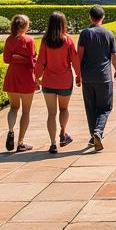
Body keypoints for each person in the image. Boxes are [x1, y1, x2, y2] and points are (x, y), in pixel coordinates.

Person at [35, 10, 82, 154]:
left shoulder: (45, 41)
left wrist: (37, 77)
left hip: (48, 81)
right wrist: (79, 76)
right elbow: (75, 61)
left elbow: (40, 62)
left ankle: (52, 143)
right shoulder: (67, 40)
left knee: (51, 114)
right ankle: (63, 133)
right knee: (64, 109)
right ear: (63, 24)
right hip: (64, 81)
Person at [77, 4, 116, 151]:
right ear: (103, 18)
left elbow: (79, 55)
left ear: (90, 17)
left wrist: (78, 74)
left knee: (91, 107)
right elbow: (114, 55)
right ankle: (98, 132)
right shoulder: (108, 34)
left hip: (88, 77)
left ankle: (93, 135)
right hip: (104, 77)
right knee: (105, 107)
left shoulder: (84, 34)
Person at [2, 13, 37, 153]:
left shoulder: (9, 40)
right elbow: (31, 60)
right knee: (26, 111)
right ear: (24, 26)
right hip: (27, 76)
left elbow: (6, 59)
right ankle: (20, 142)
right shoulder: (29, 40)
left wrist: (16, 57)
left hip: (12, 75)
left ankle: (11, 130)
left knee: (13, 107)